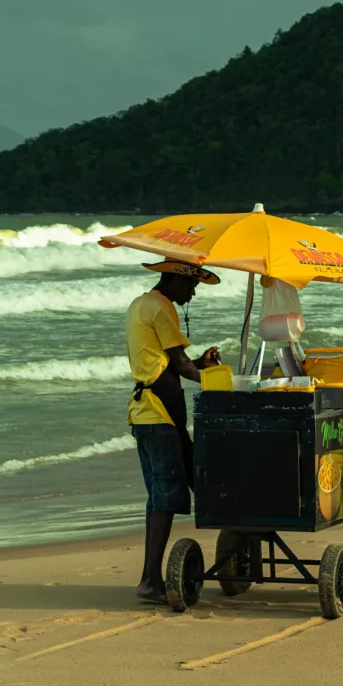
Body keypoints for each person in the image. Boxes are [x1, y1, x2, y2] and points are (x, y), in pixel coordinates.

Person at [126, 258, 221, 604]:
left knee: (191, 481)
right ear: (174, 280)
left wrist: (202, 365)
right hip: (156, 416)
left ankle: (233, 549)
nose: (194, 291)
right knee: (164, 498)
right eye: (191, 284)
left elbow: (168, 365)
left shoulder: (143, 303)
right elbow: (179, 365)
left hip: (156, 417)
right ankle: (150, 581)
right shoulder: (160, 307)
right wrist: (222, 383)